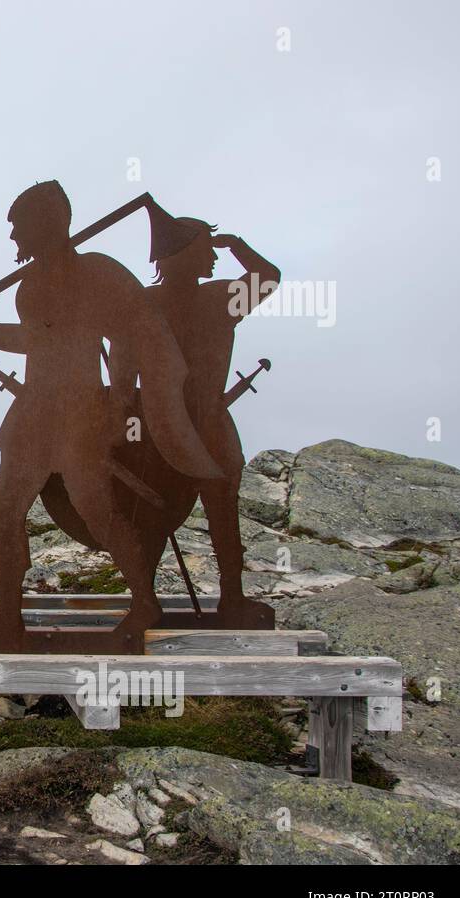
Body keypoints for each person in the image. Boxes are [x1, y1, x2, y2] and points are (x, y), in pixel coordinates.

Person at [0, 182, 220, 650]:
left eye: (19, 226)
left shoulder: (97, 272)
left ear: (49, 222)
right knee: (3, 510)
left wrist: (118, 397)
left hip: (80, 411)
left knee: (97, 511)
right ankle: (8, 616)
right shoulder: (31, 285)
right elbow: (34, 340)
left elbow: (132, 334)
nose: (13, 237)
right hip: (36, 412)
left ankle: (144, 602)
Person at [143, 219, 280, 626]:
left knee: (209, 512)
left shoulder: (212, 297)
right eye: (207, 248)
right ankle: (153, 599)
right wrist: (236, 243)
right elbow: (268, 277)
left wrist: (232, 241)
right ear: (183, 254)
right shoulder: (212, 299)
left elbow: (268, 279)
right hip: (170, 424)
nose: (215, 256)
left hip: (183, 424)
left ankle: (228, 598)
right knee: (158, 514)